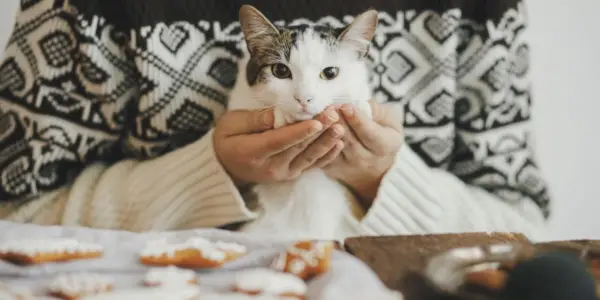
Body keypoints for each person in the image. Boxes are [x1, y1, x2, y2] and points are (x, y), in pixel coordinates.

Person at [0, 0, 550, 239]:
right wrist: (213, 173)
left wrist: (380, 179)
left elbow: (531, 239)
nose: (308, 96)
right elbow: (13, 216)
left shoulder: (477, 10)